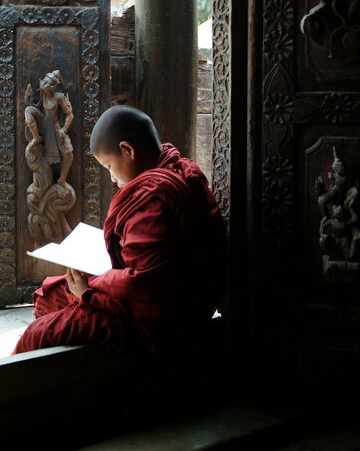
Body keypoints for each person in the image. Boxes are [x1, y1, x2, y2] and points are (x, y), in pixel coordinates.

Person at [12, 106, 226, 356]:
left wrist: (90, 293)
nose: (112, 178)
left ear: (128, 150)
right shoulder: (178, 167)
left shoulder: (153, 199)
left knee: (37, 335)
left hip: (162, 321)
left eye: (109, 167)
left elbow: (145, 286)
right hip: (161, 298)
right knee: (48, 296)